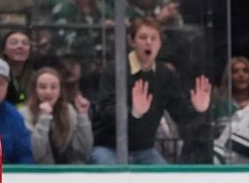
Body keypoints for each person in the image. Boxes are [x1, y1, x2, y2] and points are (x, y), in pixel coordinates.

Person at [89, 18, 210, 165]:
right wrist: (133, 113)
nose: (148, 42)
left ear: (159, 44)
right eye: (143, 37)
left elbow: (180, 115)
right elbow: (106, 112)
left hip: (144, 151)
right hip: (109, 148)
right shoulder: (114, 70)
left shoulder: (165, 74)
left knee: (166, 180)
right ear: (132, 41)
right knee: (111, 176)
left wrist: (198, 110)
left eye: (154, 38)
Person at [21, 66, 91, 164]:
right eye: (42, 87)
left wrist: (83, 116)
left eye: (53, 87)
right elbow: (35, 154)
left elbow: (83, 151)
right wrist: (44, 118)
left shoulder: (69, 110)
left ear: (60, 90)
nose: (48, 92)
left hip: (66, 171)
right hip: (37, 172)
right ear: (35, 90)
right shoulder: (24, 114)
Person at [211, 56, 249, 165]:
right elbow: (221, 138)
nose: (241, 75)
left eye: (245, 71)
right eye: (235, 71)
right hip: (226, 163)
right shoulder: (221, 104)